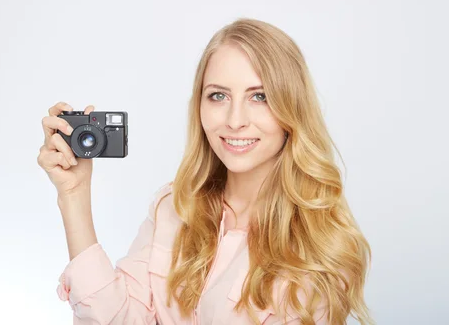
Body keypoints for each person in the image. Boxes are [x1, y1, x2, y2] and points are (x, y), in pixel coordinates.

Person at [37, 18, 373, 325]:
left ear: (291, 107)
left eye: (259, 96)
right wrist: (74, 195)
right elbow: (119, 318)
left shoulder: (319, 247)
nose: (235, 119)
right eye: (218, 96)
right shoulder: (172, 208)